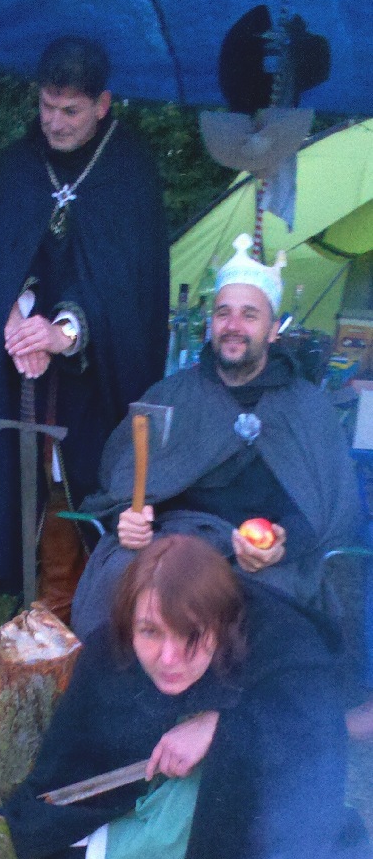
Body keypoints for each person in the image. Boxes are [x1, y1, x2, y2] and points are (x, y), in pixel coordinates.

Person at [1, 536, 371, 859]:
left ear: (223, 626)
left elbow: (315, 746)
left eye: (191, 636)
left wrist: (223, 725)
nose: (169, 658)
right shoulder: (112, 658)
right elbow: (63, 787)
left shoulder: (281, 647)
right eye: (150, 632)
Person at [0, 35, 169, 617]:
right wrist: (15, 318)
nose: (53, 121)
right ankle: (46, 592)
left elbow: (128, 285)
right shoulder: (19, 165)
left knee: (88, 468)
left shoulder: (128, 170)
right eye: (46, 106)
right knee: (33, 467)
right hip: (25, 364)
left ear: (102, 104)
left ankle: (96, 593)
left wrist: (65, 332)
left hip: (100, 371)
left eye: (70, 110)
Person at [71, 232, 359, 641]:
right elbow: (125, 488)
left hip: (264, 556)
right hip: (176, 540)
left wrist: (284, 541)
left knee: (265, 616)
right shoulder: (171, 396)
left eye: (249, 315)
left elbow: (330, 506)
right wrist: (129, 520)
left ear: (272, 330)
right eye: (223, 313)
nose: (233, 326)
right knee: (121, 583)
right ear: (211, 323)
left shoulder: (307, 407)